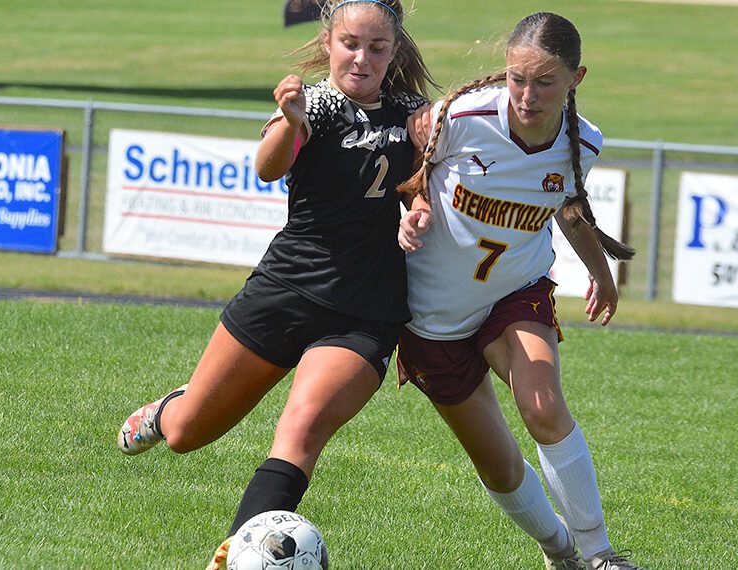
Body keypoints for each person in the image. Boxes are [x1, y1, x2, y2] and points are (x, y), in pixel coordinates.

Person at [115, 1, 433, 567]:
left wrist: (417, 210)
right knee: (189, 433)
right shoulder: (311, 104)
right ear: (330, 43)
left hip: (365, 311)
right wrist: (289, 120)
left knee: (300, 429)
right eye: (350, 44)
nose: (362, 58)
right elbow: (266, 168)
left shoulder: (415, 115)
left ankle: (234, 557)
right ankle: (169, 410)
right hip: (284, 290)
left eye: (377, 47)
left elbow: (421, 189)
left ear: (395, 49)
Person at [396, 12, 645, 570]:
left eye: (545, 82)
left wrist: (601, 272)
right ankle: (560, 553)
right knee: (502, 469)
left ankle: (601, 555)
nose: (527, 95)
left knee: (543, 406)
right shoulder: (458, 117)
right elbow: (409, 176)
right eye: (516, 79)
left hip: (513, 294)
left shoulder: (584, 141)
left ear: (576, 78)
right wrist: (412, 210)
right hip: (430, 319)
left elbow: (569, 209)